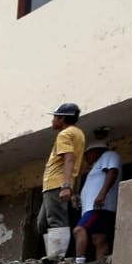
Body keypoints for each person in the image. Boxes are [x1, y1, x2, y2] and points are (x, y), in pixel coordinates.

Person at [36, 102, 86, 253]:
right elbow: (78, 164)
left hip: (56, 184)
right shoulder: (78, 133)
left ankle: (56, 260)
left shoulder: (64, 134)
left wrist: (65, 186)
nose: (53, 120)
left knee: (57, 221)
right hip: (55, 184)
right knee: (42, 223)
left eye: (55, 117)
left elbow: (69, 159)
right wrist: (73, 188)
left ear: (62, 118)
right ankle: (52, 256)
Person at [75, 140, 121, 264]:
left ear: (96, 151)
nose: (86, 158)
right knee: (99, 238)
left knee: (79, 230)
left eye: (87, 154)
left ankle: (79, 263)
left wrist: (101, 194)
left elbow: (112, 172)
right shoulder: (96, 166)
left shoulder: (109, 155)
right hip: (95, 207)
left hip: (99, 207)